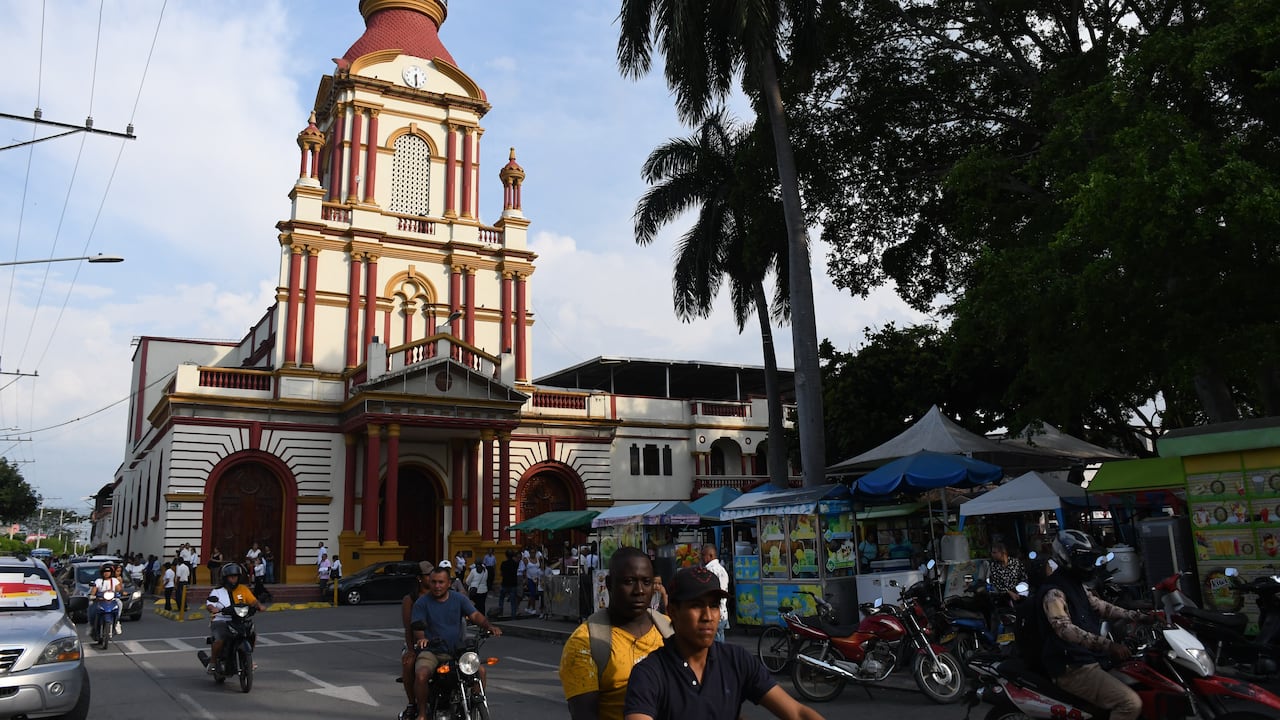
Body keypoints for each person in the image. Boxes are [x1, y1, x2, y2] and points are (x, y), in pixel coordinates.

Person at [623, 566, 825, 720]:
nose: (708, 616)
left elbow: (797, 713)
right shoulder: (649, 674)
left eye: (713, 606)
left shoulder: (736, 660)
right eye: (696, 606)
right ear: (673, 612)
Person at [1036, 530, 1155, 720]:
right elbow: (1064, 629)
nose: (1088, 565)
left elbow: (1102, 607)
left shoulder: (1076, 584)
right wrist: (1109, 645)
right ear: (1065, 558)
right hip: (1072, 668)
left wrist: (1141, 616)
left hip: (1090, 659)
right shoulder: (1054, 592)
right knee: (1130, 703)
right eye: (1083, 560)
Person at [559, 547, 671, 720]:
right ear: (609, 584)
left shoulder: (671, 630)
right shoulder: (584, 643)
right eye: (629, 581)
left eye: (647, 582)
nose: (639, 591)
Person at [410, 564, 502, 720]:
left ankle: (475, 703)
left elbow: (475, 616)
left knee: (480, 671)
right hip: (432, 651)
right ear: (429, 582)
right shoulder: (422, 602)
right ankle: (422, 713)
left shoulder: (459, 599)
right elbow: (417, 626)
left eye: (441, 582)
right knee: (421, 674)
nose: (437, 586)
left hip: (457, 651)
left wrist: (489, 626)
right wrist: (422, 638)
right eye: (434, 582)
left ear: (449, 583)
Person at [197, 563, 267, 675]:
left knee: (252, 633)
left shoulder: (243, 589)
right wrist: (213, 608)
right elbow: (209, 604)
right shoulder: (217, 591)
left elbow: (253, 601)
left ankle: (248, 658)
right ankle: (213, 663)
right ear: (225, 578)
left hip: (240, 620)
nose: (234, 579)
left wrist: (259, 606)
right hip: (221, 619)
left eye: (236, 576)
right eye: (231, 576)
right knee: (219, 639)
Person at [400, 562, 433, 720]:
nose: (432, 578)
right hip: (417, 643)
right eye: (428, 575)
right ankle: (412, 703)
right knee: (408, 664)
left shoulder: (441, 593)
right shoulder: (411, 599)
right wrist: (411, 650)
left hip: (440, 643)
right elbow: (408, 627)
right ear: (419, 578)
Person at [700, 544, 730, 641]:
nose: (702, 558)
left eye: (703, 555)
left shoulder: (709, 571)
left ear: (711, 556)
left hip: (713, 613)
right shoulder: (722, 570)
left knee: (713, 644)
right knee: (720, 643)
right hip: (722, 613)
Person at [88, 563, 125, 641]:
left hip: (112, 600)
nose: (106, 573)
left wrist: (122, 592)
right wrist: (92, 595)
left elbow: (119, 589)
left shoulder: (114, 580)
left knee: (120, 603)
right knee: (91, 606)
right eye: (105, 571)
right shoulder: (98, 581)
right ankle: (90, 625)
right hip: (100, 600)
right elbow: (94, 590)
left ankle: (117, 621)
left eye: (108, 572)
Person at [498, 550, 519, 618]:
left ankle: (500, 613)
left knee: (501, 599)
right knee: (513, 601)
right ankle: (513, 615)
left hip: (505, 583)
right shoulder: (515, 563)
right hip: (513, 583)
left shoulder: (503, 563)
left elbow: (501, 573)